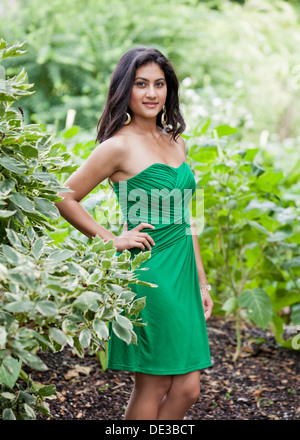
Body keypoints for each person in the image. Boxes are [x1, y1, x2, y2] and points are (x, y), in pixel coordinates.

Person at [55, 46, 213, 420]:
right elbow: (63, 196)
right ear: (125, 88)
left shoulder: (177, 141)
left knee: (188, 388)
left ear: (168, 90)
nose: (151, 93)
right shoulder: (117, 146)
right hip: (149, 269)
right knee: (155, 383)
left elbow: (188, 216)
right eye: (141, 83)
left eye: (159, 84)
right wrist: (112, 239)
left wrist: (202, 283)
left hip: (183, 270)